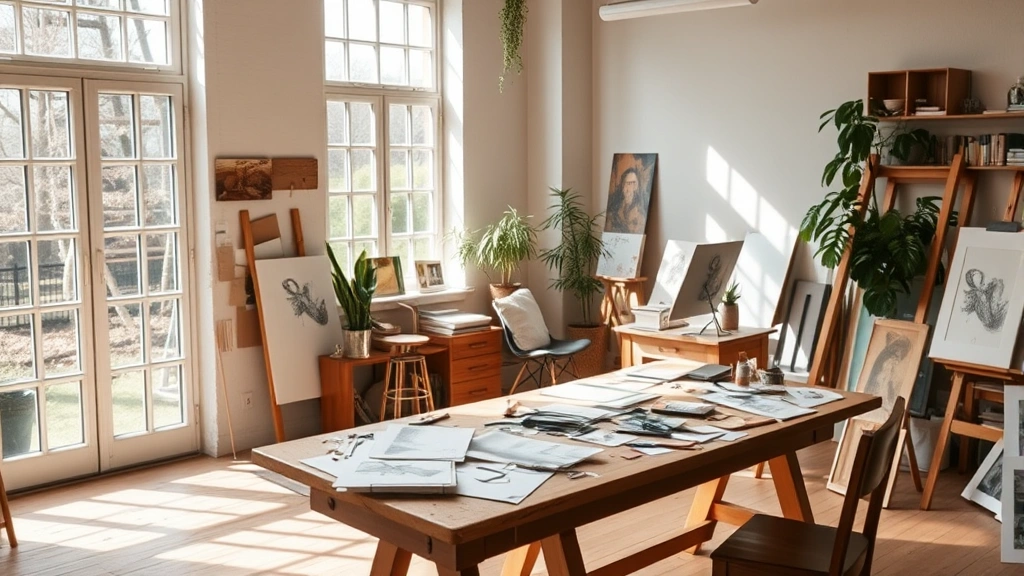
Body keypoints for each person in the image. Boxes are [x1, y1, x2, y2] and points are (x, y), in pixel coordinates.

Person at [605, 167, 648, 234]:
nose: (630, 188)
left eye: (634, 183)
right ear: (622, 185)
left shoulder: (640, 211)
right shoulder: (615, 207)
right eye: (628, 183)